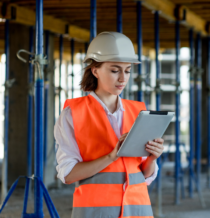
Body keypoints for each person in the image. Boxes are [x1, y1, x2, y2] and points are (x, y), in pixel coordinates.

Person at [54, 31, 164, 218]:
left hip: (138, 211)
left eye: (128, 70)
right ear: (95, 70)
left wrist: (153, 158)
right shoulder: (73, 114)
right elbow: (68, 174)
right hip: (95, 212)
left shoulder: (139, 112)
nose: (123, 78)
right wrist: (111, 156)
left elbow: (144, 176)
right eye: (115, 70)